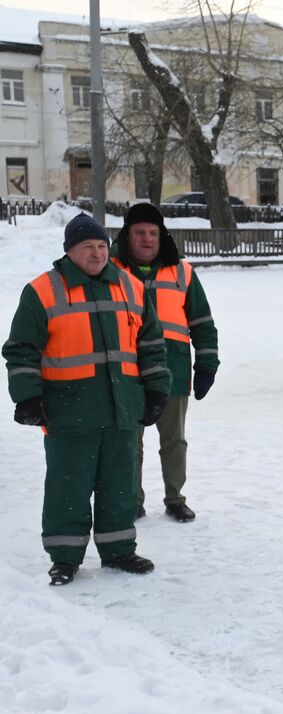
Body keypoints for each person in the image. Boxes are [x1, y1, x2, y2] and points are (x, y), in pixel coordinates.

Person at [4, 213, 171, 585]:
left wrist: (157, 387)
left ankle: (118, 550)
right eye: (87, 247)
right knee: (68, 486)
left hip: (122, 407)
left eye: (101, 246)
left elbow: (151, 345)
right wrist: (28, 397)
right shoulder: (43, 291)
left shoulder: (130, 287)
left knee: (120, 484)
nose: (97, 254)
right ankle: (64, 557)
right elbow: (21, 350)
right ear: (70, 251)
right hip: (68, 409)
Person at [112, 203, 220, 522]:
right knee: (131, 441)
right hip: (128, 369)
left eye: (153, 233)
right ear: (127, 236)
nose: (147, 239)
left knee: (174, 439)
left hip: (173, 369)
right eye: (139, 233)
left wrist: (207, 364)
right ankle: (133, 500)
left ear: (162, 236)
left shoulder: (182, 271)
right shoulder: (112, 270)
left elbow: (202, 322)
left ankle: (175, 497)